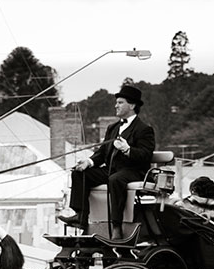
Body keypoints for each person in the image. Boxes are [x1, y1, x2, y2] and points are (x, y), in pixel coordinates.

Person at [57, 84, 156, 240]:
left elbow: (145, 155)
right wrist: (88, 162)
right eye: (116, 102)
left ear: (132, 105)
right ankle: (81, 217)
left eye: (120, 102)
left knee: (115, 179)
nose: (116, 105)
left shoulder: (144, 129)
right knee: (79, 173)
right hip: (112, 170)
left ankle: (116, 226)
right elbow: (102, 153)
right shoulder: (113, 128)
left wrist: (128, 150)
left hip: (134, 171)